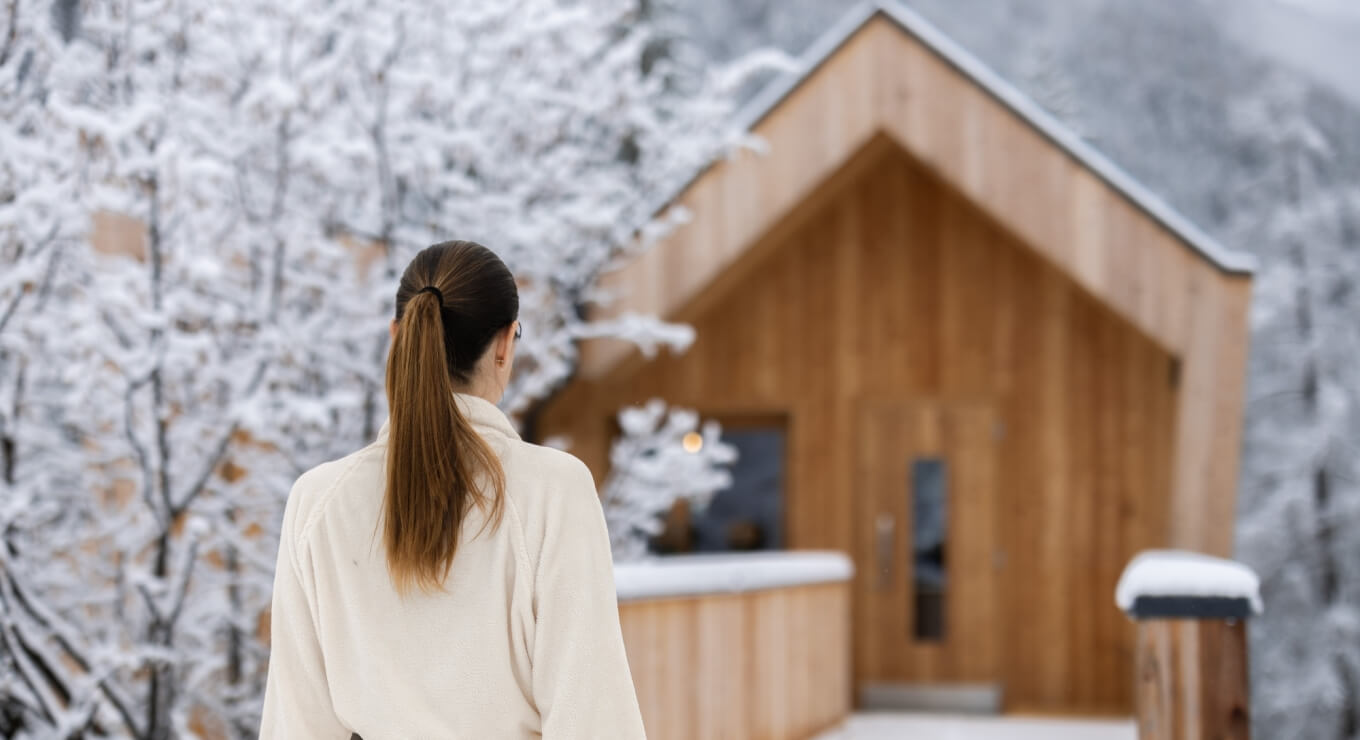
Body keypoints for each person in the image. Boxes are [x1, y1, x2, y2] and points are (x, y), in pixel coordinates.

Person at [260, 241, 646, 738]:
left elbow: (296, 724)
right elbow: (593, 719)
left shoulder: (317, 501)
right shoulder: (554, 491)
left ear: (397, 336)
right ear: (506, 344)